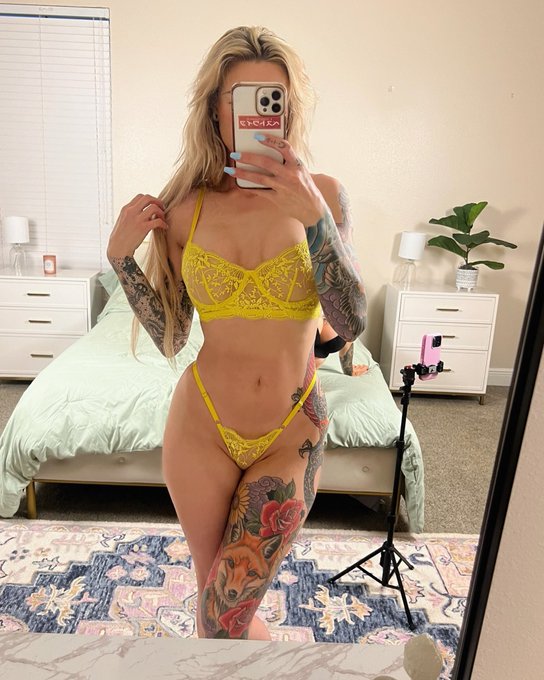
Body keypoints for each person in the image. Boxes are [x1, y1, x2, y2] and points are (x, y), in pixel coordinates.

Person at [106, 25, 366, 640]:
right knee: (214, 605)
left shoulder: (324, 196)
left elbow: (350, 318)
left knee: (223, 616)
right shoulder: (184, 207)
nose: (259, 114)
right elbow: (173, 337)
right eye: (242, 98)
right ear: (216, 111)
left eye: (273, 99)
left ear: (289, 109)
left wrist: (315, 220)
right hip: (201, 428)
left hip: (290, 431)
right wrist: (121, 260)